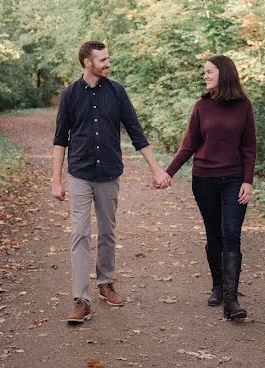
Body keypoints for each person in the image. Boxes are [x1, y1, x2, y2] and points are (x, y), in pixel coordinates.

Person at [52, 40, 171, 324]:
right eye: (102, 60)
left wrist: (156, 169)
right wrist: (55, 180)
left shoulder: (117, 92)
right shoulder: (69, 95)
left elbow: (136, 132)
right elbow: (60, 140)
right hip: (79, 173)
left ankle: (105, 283)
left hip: (108, 175)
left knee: (107, 232)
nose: (108, 63)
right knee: (79, 233)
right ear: (87, 62)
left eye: (108, 59)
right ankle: (81, 299)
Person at [165, 55, 256, 320]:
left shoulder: (244, 106)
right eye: (204, 72)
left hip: (234, 180)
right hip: (204, 179)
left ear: (224, 73)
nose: (205, 76)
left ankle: (231, 300)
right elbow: (189, 145)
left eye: (209, 72)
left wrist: (247, 180)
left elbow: (249, 148)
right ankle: (218, 286)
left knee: (231, 234)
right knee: (214, 234)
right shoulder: (201, 106)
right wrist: (169, 173)